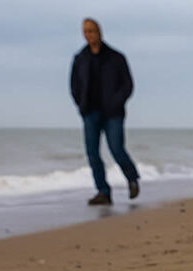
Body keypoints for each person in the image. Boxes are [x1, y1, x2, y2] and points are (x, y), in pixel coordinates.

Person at [70, 18, 139, 206]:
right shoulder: (80, 59)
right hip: (90, 112)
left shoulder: (116, 57)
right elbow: (74, 85)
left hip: (113, 113)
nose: (89, 34)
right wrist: (80, 105)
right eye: (85, 31)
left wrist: (117, 102)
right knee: (92, 153)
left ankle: (132, 179)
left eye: (91, 31)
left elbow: (128, 85)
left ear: (99, 32)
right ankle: (103, 192)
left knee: (116, 149)